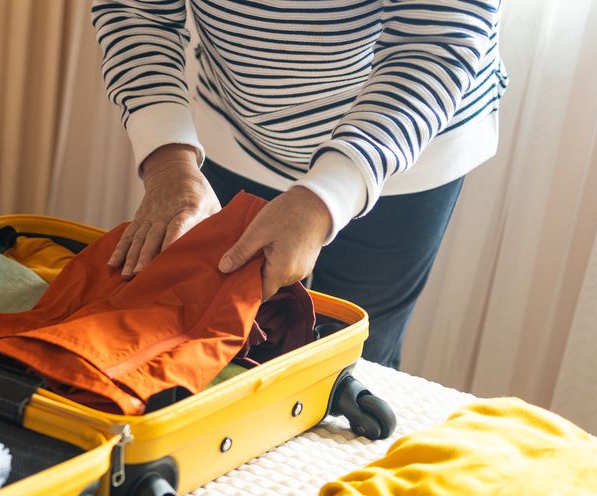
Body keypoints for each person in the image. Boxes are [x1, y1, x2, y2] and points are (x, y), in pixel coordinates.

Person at [93, 1, 506, 368]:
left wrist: (326, 198)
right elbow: (136, 13)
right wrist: (168, 162)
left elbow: (432, 47)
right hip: (236, 126)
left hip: (400, 153)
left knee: (355, 364)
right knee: (217, 350)